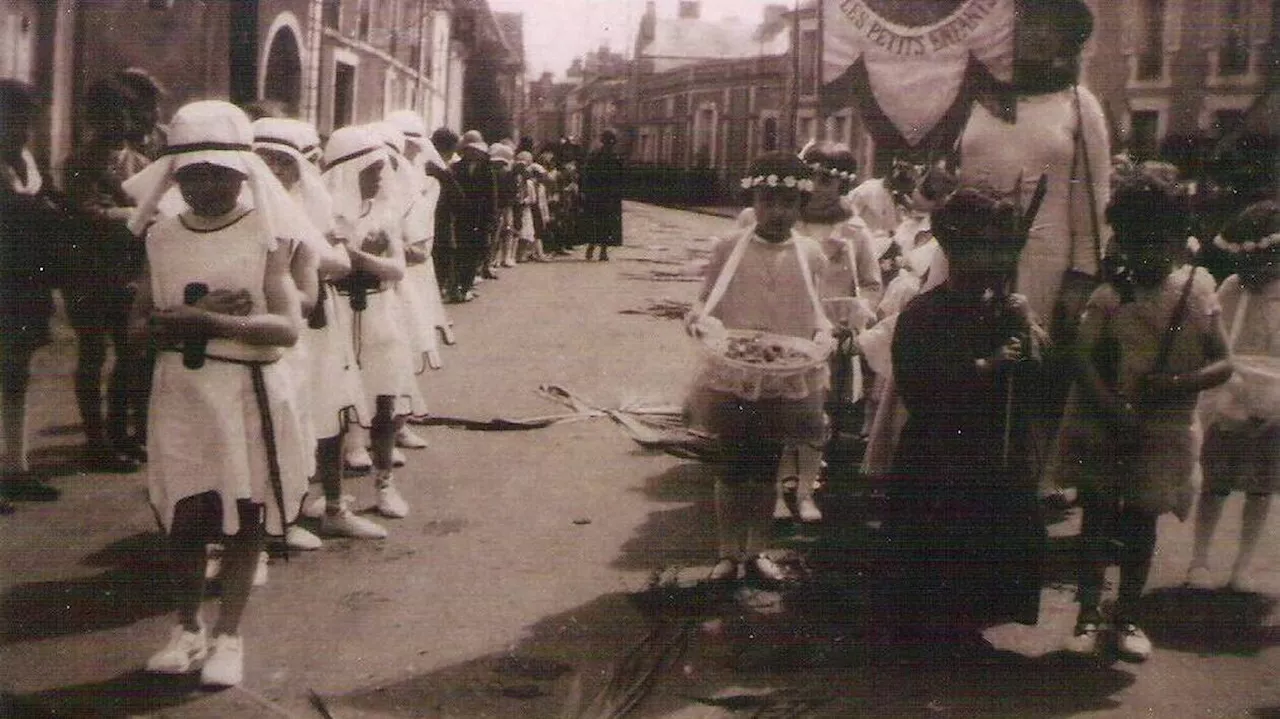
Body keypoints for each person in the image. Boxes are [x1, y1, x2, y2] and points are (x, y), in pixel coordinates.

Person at [123, 100, 310, 686]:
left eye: (219, 172)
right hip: (181, 388)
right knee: (186, 513)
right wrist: (189, 316)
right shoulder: (160, 237)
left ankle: (229, 635)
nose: (206, 185)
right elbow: (135, 329)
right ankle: (187, 628)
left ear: (241, 172)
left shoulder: (267, 234)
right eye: (192, 173)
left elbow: (287, 327)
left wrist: (213, 325)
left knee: (245, 513)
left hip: (245, 389)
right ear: (174, 175)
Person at [1058, 173, 1232, 662]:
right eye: (1135, 243)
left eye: (1159, 242)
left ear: (1179, 242)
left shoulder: (1197, 292)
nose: (1146, 254)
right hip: (1106, 419)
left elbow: (1224, 362)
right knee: (1096, 516)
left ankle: (1126, 615)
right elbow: (1081, 355)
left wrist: (1179, 384)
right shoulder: (1111, 295)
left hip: (1164, 425)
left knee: (1140, 522)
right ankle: (1087, 614)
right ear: (1120, 241)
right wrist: (1111, 406)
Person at [955, 0, 1112, 503]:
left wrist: (1082, 275)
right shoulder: (975, 96)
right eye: (1029, 22)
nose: (1039, 36)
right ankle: (961, 475)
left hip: (1043, 258)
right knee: (967, 359)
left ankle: (1029, 482)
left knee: (1031, 367)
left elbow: (1095, 198)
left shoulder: (1078, 104)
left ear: (1071, 40)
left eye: (1054, 27)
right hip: (968, 252)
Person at [883, 185, 1047, 660]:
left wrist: (1027, 335)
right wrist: (985, 366)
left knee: (990, 533)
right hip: (940, 450)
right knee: (943, 533)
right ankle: (933, 628)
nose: (994, 259)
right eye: (982, 247)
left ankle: (968, 623)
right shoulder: (923, 312)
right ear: (952, 247)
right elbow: (919, 388)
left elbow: (1037, 380)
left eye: (1001, 247)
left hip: (995, 445)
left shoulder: (1005, 309)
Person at [684, 152, 831, 584]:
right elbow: (706, 298)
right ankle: (729, 552)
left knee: (766, 466)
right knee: (732, 463)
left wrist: (824, 333)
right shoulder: (729, 246)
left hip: (784, 375)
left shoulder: (811, 254)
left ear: (800, 205)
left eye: (787, 203)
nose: (777, 212)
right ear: (754, 201)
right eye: (768, 201)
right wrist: (698, 317)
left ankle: (757, 551)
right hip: (735, 371)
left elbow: (817, 310)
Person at [251, 117, 383, 544]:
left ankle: (331, 507)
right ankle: (277, 520)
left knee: (330, 412)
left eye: (282, 162)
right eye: (264, 160)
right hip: (274, 323)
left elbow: (338, 261)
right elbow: (330, 257)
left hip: (318, 320)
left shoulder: (312, 201)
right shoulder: (249, 206)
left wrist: (322, 254)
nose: (273, 170)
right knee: (279, 419)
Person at [322, 125, 418, 519]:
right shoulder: (323, 213)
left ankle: (383, 487)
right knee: (334, 412)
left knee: (385, 403)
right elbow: (327, 268)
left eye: (381, 168)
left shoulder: (384, 214)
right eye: (371, 169)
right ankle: (331, 500)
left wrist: (358, 259)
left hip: (379, 312)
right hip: (335, 314)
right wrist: (351, 260)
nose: (380, 176)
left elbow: (395, 269)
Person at [62, 76, 156, 471]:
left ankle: (121, 434)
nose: (116, 121)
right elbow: (90, 212)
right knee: (93, 353)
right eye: (106, 114)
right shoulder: (80, 162)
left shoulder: (142, 164)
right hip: (86, 270)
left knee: (131, 353)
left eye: (122, 113)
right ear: (93, 119)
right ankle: (97, 441)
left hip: (128, 271)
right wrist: (139, 215)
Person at [1187, 201, 1280, 593]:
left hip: (1274, 401)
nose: (1255, 274)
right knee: (1216, 481)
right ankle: (1200, 559)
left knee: (1262, 484)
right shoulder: (1232, 290)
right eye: (1247, 264)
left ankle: (1243, 564)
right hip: (1232, 396)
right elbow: (1217, 342)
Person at [0, 79, 66, 507]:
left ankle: (15, 466)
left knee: (16, 374)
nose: (21, 130)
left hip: (24, 282)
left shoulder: (28, 162)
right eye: (10, 120)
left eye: (26, 121)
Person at [449, 130, 496, 303]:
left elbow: (492, 196)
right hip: (461, 216)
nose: (473, 153)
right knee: (460, 252)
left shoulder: (487, 169)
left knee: (475, 252)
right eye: (469, 150)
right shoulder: (456, 168)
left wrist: (491, 219)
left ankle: (466, 286)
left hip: (480, 217)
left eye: (476, 150)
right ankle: (457, 286)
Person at [580, 129, 625, 261]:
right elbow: (620, 178)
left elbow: (587, 175)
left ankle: (591, 248)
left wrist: (586, 191)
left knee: (594, 221)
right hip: (610, 196)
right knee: (607, 223)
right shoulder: (616, 157)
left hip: (595, 195)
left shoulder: (594, 156)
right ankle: (603, 251)